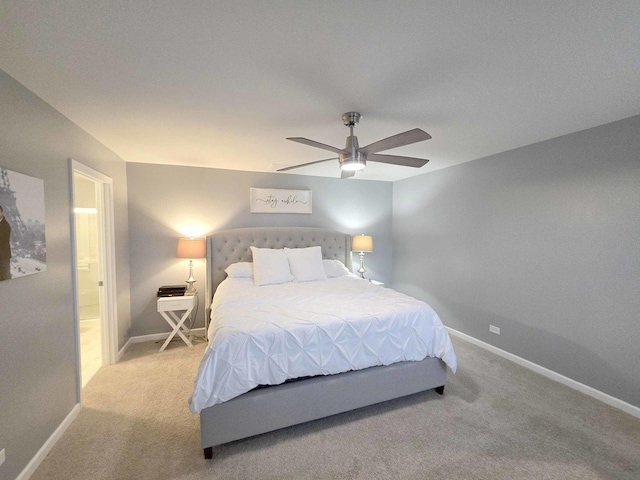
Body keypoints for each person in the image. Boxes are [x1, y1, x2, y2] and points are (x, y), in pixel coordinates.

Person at [0, 205, 12, 280]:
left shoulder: (5, 225)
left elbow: (2, 240)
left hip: (3, 257)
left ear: (2, 213)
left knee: (5, 278)